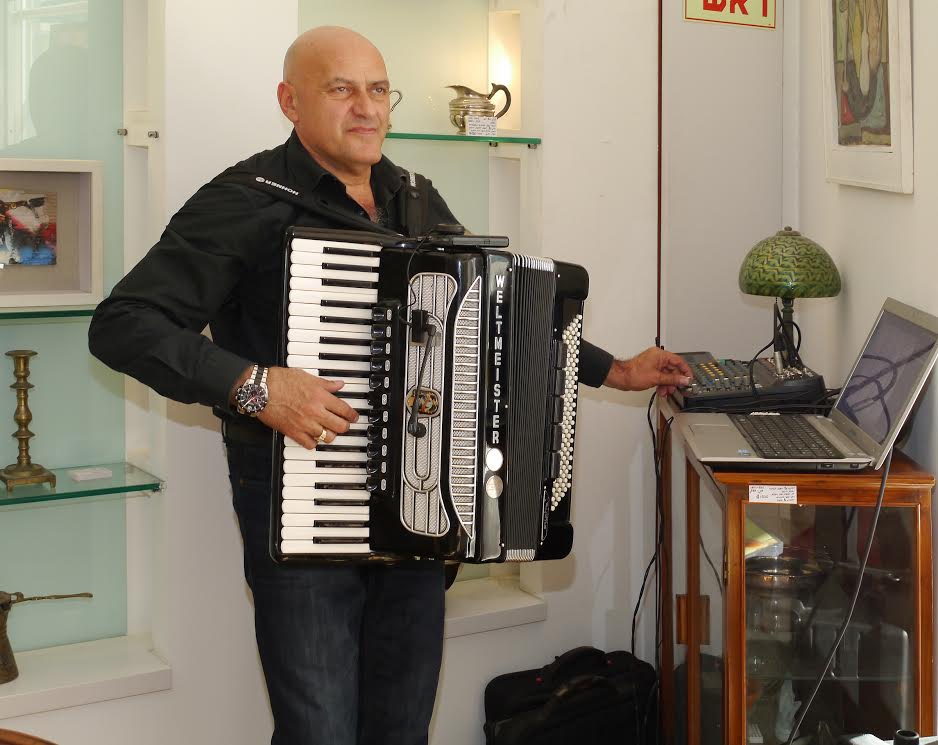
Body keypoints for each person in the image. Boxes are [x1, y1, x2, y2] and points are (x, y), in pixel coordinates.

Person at [88, 26, 691, 745]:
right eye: (341, 90)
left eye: (378, 90)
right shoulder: (246, 200)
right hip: (304, 507)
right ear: (290, 102)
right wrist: (255, 385)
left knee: (401, 725)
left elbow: (498, 316)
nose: (366, 108)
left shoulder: (413, 197)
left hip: (419, 504)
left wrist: (614, 370)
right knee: (318, 730)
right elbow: (124, 324)